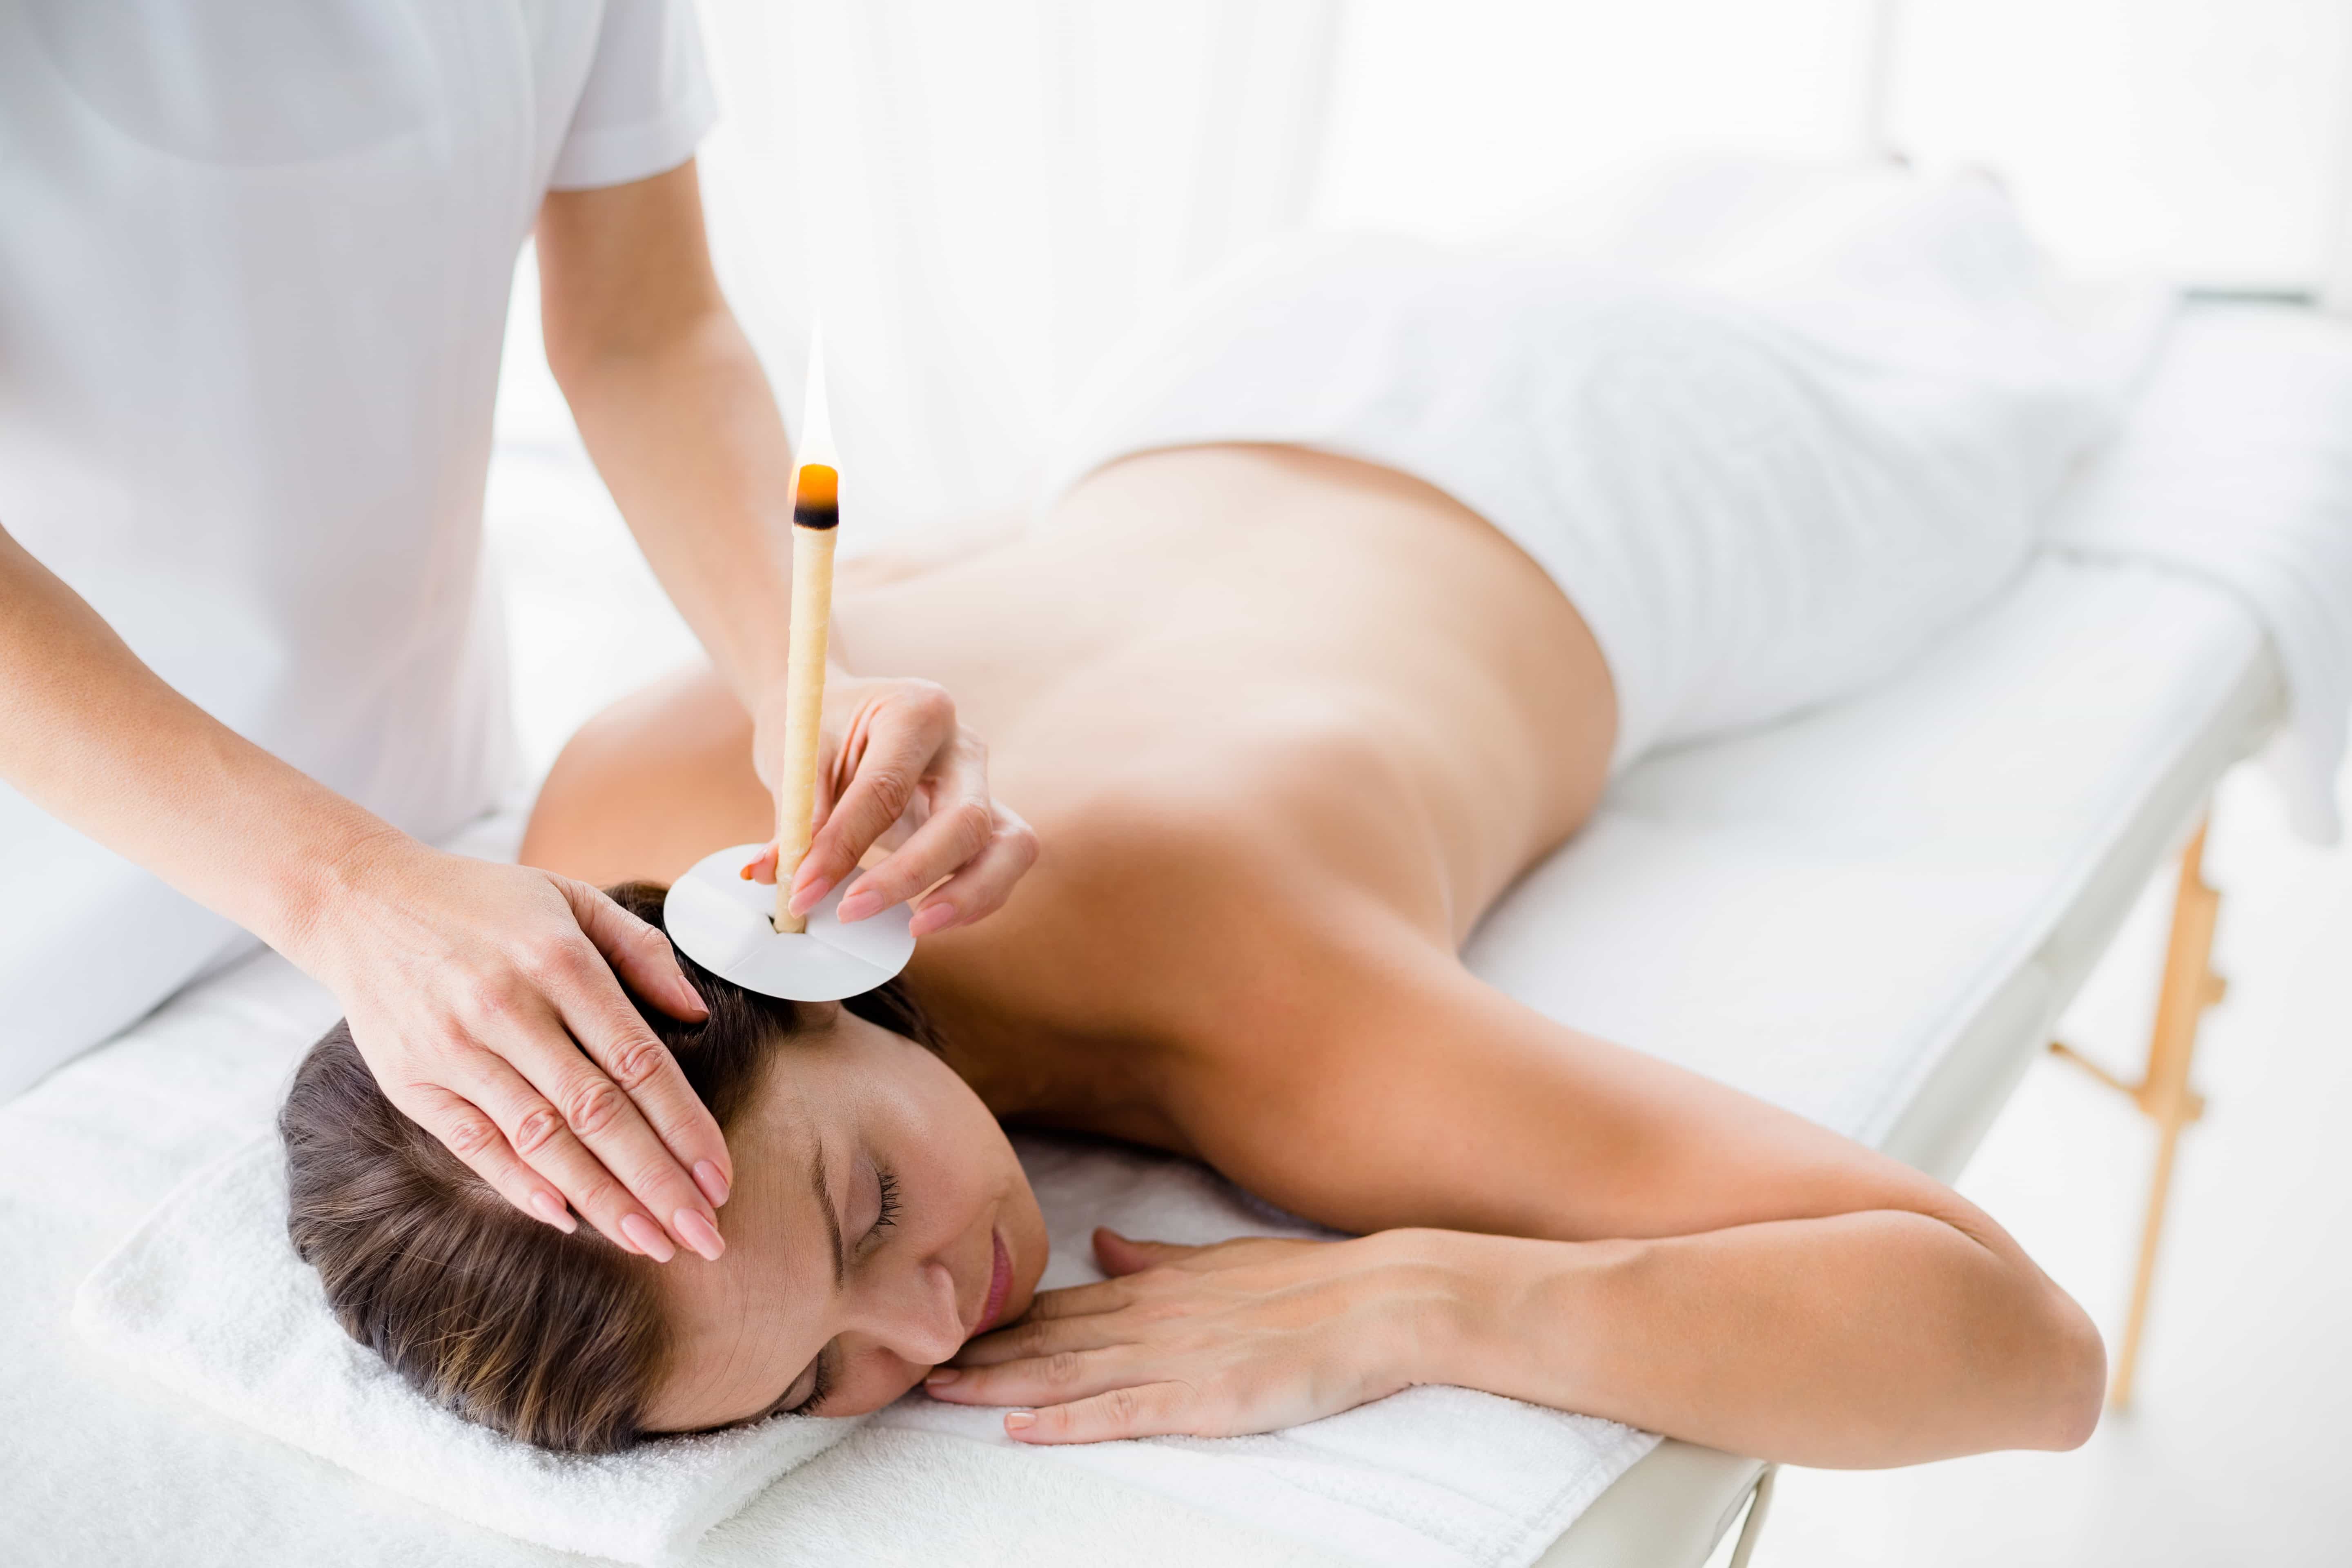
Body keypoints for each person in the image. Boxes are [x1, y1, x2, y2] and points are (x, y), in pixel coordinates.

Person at [279, 172, 2130, 1460]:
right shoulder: (610, 802)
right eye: (809, 1384)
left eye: (867, 1213)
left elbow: (2021, 1345)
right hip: (1243, 359)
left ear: (810, 991)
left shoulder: (1264, 1018)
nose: (931, 1325)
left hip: (1654, 467)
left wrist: (1407, 1301)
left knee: (1970, 257)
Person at [0, 1, 1031, 1267]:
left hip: (435, 795)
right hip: (59, 886)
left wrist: (795, 676)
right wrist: (341, 890)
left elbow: (646, 328)